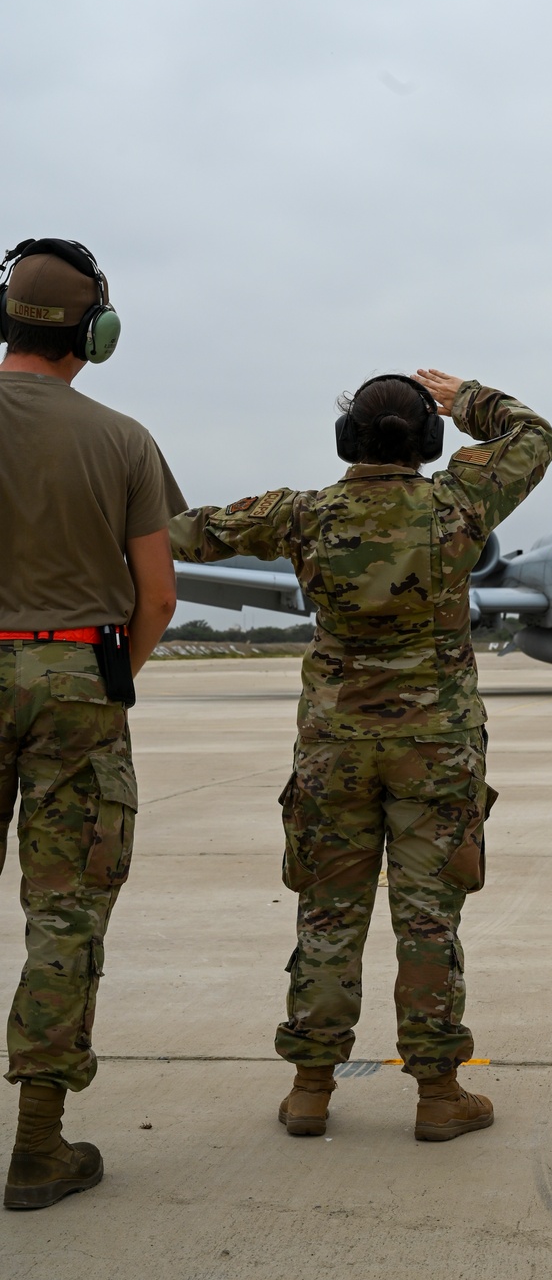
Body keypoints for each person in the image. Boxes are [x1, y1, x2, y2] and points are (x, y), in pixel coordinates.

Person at [170, 369, 552, 1141]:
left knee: (327, 915)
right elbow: (535, 436)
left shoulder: (304, 514)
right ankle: (440, 1096)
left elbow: (183, 532)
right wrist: (468, 396)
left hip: (334, 751)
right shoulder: (459, 503)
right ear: (431, 441)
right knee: (428, 921)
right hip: (436, 752)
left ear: (347, 440)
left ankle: (312, 1087)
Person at [0, 238, 184, 1210]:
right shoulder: (122, 440)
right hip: (77, 669)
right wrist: (104, 676)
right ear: (94, 335)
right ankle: (37, 1147)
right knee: (64, 913)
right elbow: (155, 596)